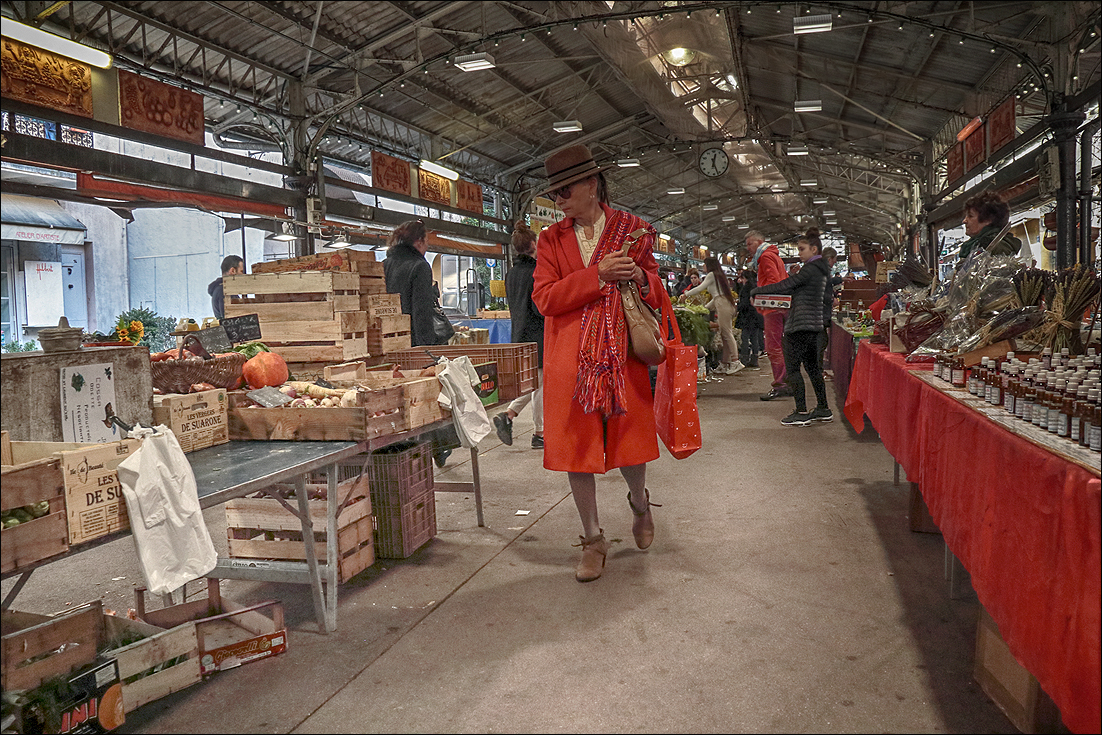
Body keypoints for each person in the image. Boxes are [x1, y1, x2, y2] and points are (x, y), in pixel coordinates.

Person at [531, 143, 664, 583]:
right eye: (554, 193)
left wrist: (641, 276)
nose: (559, 199)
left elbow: (656, 293)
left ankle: (640, 503)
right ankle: (592, 539)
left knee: (628, 442)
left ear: (592, 184)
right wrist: (597, 276)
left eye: (565, 189)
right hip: (572, 360)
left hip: (622, 356)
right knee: (577, 451)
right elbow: (545, 299)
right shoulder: (550, 240)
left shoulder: (634, 232)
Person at [751, 228, 834, 427]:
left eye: (802, 249)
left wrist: (758, 291)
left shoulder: (810, 269)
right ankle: (823, 408)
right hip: (814, 326)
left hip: (799, 326)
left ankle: (801, 411)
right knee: (813, 369)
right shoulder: (822, 271)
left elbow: (785, 285)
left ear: (814, 249)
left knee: (794, 369)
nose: (799, 252)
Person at [493, 222, 545, 450]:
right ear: (533, 244)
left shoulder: (511, 274)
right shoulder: (537, 273)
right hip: (538, 335)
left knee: (534, 383)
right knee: (541, 384)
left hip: (518, 334)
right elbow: (539, 307)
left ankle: (509, 415)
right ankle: (539, 433)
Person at [384, 219, 446, 348]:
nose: (427, 247)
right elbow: (421, 312)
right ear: (419, 242)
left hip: (387, 339)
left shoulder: (385, 264)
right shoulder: (420, 266)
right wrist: (427, 348)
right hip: (412, 341)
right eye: (426, 242)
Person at [745, 230, 790, 400]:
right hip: (781, 306)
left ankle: (780, 384)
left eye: (750, 244)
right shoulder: (774, 255)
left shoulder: (765, 257)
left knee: (773, 346)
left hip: (773, 307)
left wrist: (758, 294)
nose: (748, 248)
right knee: (782, 346)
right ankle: (788, 381)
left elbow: (773, 282)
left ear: (760, 242)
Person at [681, 256, 743, 375]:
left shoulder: (711, 275)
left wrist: (686, 294)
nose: (703, 267)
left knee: (727, 333)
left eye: (704, 265)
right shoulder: (718, 276)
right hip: (723, 303)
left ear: (709, 265)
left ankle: (735, 361)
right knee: (725, 334)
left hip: (723, 305)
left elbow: (700, 288)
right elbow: (716, 297)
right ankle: (724, 364)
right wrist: (704, 309)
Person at [957, 190, 1022, 265]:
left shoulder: (993, 246)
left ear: (988, 220)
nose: (964, 221)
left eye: (970, 216)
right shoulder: (973, 245)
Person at [736, 269, 763, 369]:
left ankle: (744, 359)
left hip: (747, 317)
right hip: (757, 316)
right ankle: (755, 360)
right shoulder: (757, 286)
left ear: (744, 278)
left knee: (745, 337)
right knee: (755, 338)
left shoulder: (745, 288)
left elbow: (744, 303)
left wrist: (737, 307)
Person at [208, 255, 244, 319]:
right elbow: (229, 320)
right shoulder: (224, 292)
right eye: (241, 271)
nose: (244, 275)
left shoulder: (222, 290)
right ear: (232, 271)